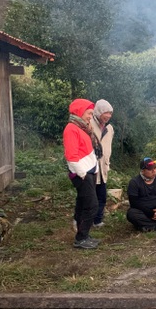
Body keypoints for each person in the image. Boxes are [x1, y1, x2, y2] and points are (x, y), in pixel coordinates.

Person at [63, 99, 101, 249]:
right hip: (82, 173)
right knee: (92, 205)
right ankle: (81, 238)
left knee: (82, 203)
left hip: (88, 171)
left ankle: (84, 234)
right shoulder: (71, 129)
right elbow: (71, 156)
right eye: (89, 113)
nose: (90, 116)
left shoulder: (82, 128)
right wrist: (83, 173)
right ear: (80, 111)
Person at [90, 99, 114, 227]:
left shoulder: (109, 129)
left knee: (102, 196)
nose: (108, 116)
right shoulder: (89, 125)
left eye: (110, 113)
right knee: (89, 196)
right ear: (99, 111)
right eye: (106, 113)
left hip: (103, 167)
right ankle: (83, 220)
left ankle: (97, 220)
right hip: (91, 167)